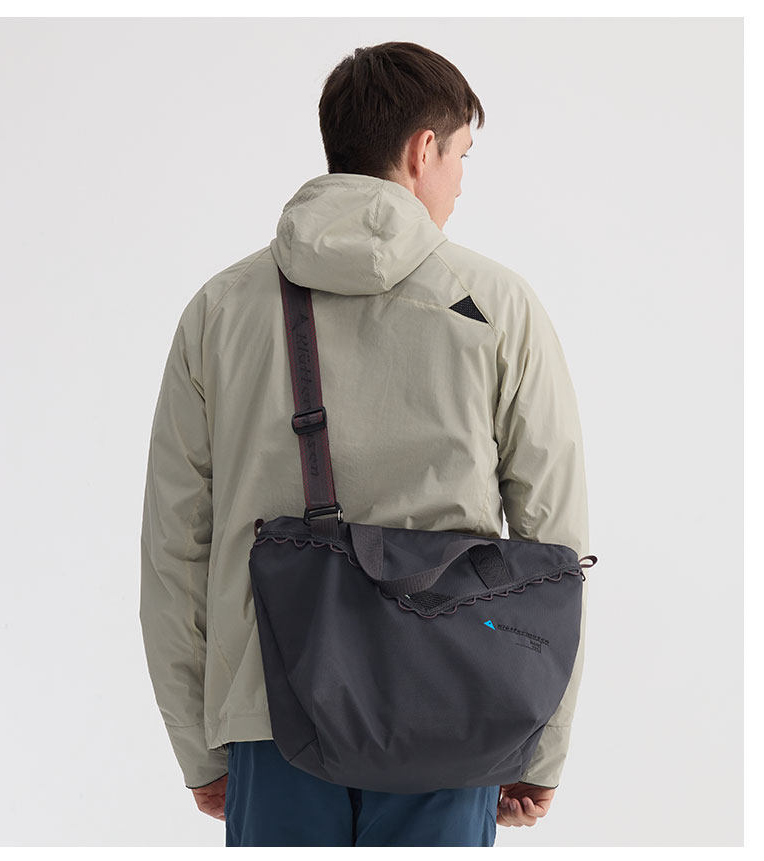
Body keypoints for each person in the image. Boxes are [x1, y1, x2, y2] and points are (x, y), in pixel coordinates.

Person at [139, 40, 590, 847]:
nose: (460, 182)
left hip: (271, 720)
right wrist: (538, 743)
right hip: (453, 710)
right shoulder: (499, 306)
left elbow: (174, 548)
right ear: (423, 150)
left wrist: (200, 743)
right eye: (461, 157)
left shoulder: (220, 310)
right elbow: (553, 543)